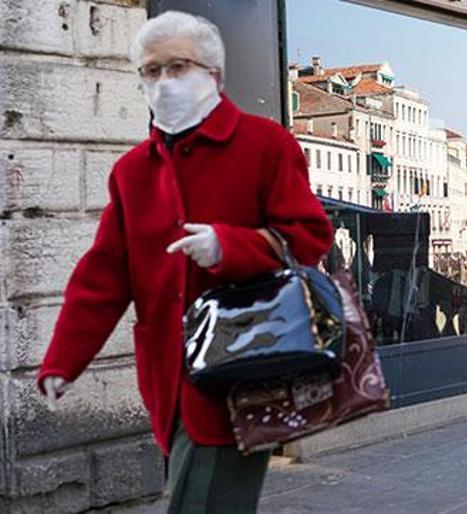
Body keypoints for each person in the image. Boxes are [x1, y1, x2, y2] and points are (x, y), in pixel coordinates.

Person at [36, 11, 333, 513]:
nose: (164, 81)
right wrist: (63, 361)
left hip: (245, 368)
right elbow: (104, 275)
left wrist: (229, 247)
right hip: (168, 376)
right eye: (151, 71)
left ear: (213, 75)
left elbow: (309, 237)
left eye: (177, 67)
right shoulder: (132, 172)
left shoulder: (265, 145)